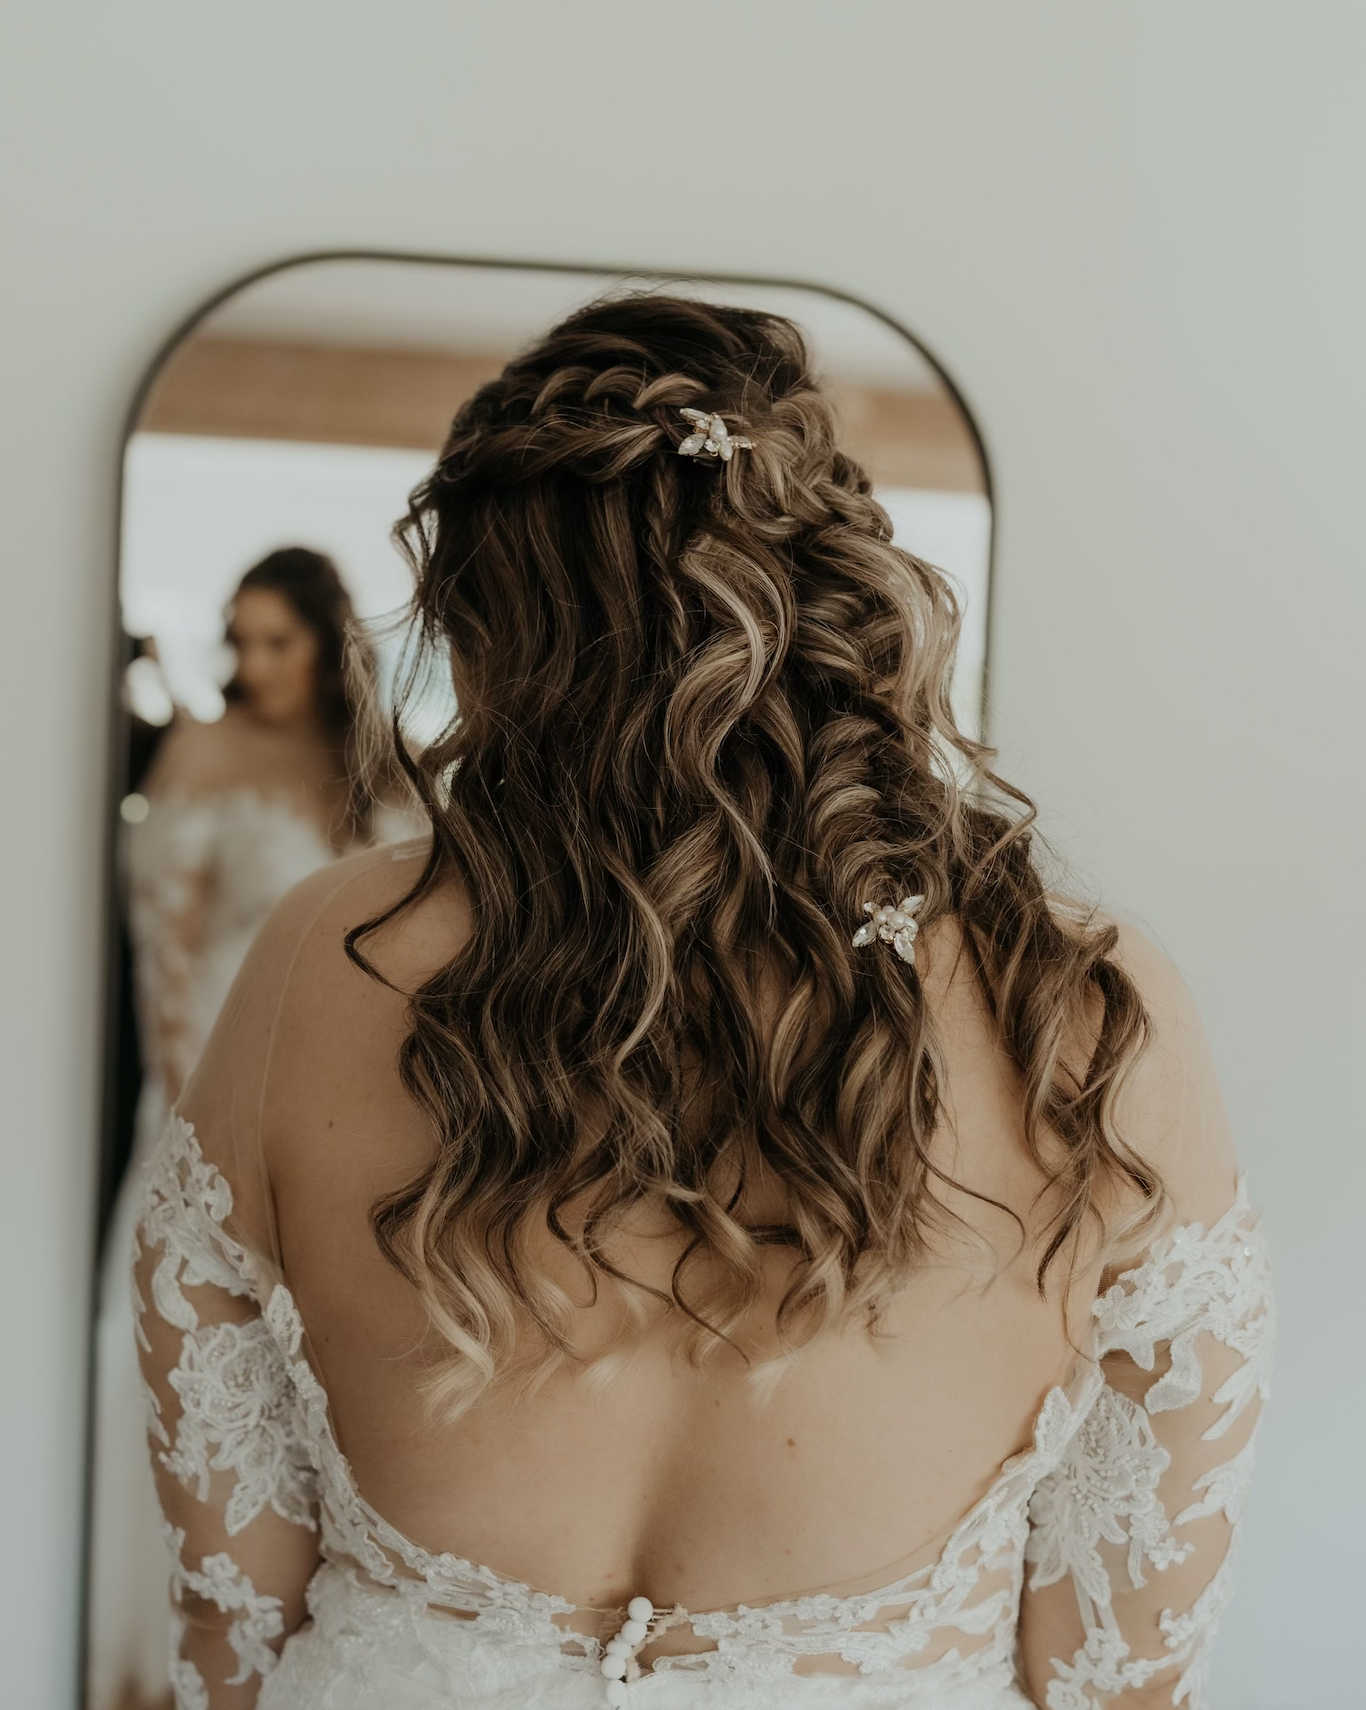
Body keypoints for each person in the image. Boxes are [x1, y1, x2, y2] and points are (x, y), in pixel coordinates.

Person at [131, 298, 1273, 1710]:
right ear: (844, 597)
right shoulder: (1081, 1013)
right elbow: (1119, 1681)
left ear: (488, 632)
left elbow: (231, 1637)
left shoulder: (320, 961)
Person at [89, 547, 387, 1710]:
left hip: (358, 1115)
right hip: (213, 1099)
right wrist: (186, 1134)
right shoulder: (205, 750)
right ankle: (172, 1644)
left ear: (326, 640)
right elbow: (163, 949)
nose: (255, 664)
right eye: (241, 639)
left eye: (279, 640)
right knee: (195, 1364)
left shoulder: (373, 764)